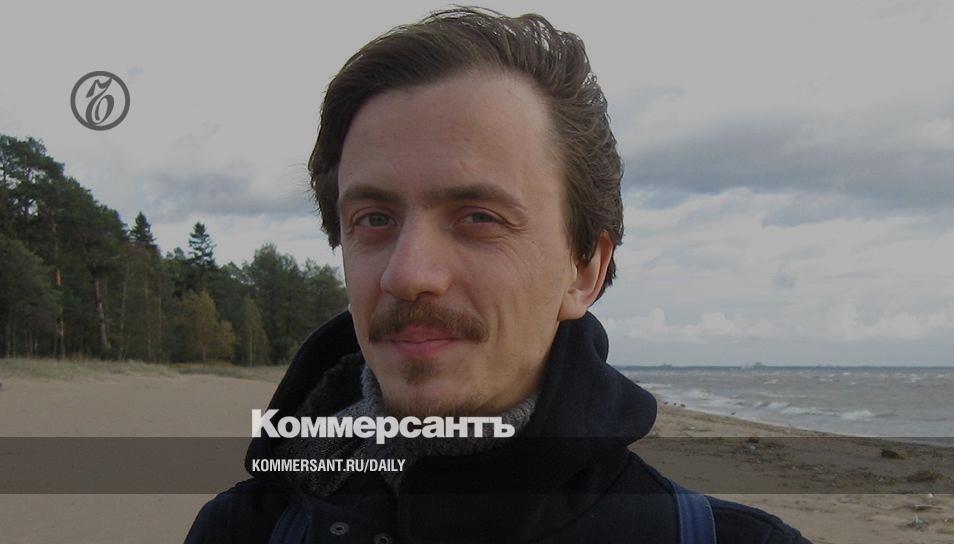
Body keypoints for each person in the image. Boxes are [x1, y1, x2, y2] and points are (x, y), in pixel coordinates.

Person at [186, 7, 809, 543]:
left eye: (479, 217)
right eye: (374, 219)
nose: (408, 274)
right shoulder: (244, 529)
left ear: (584, 270)